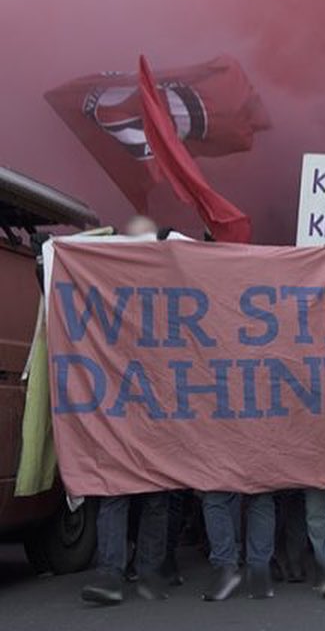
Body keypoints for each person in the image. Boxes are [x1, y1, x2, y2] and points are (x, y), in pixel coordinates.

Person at [80, 215, 168, 606]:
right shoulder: (170, 285)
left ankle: (118, 573)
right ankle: (138, 572)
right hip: (140, 411)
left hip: (132, 410)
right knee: (141, 494)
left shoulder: (111, 282)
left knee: (128, 493)